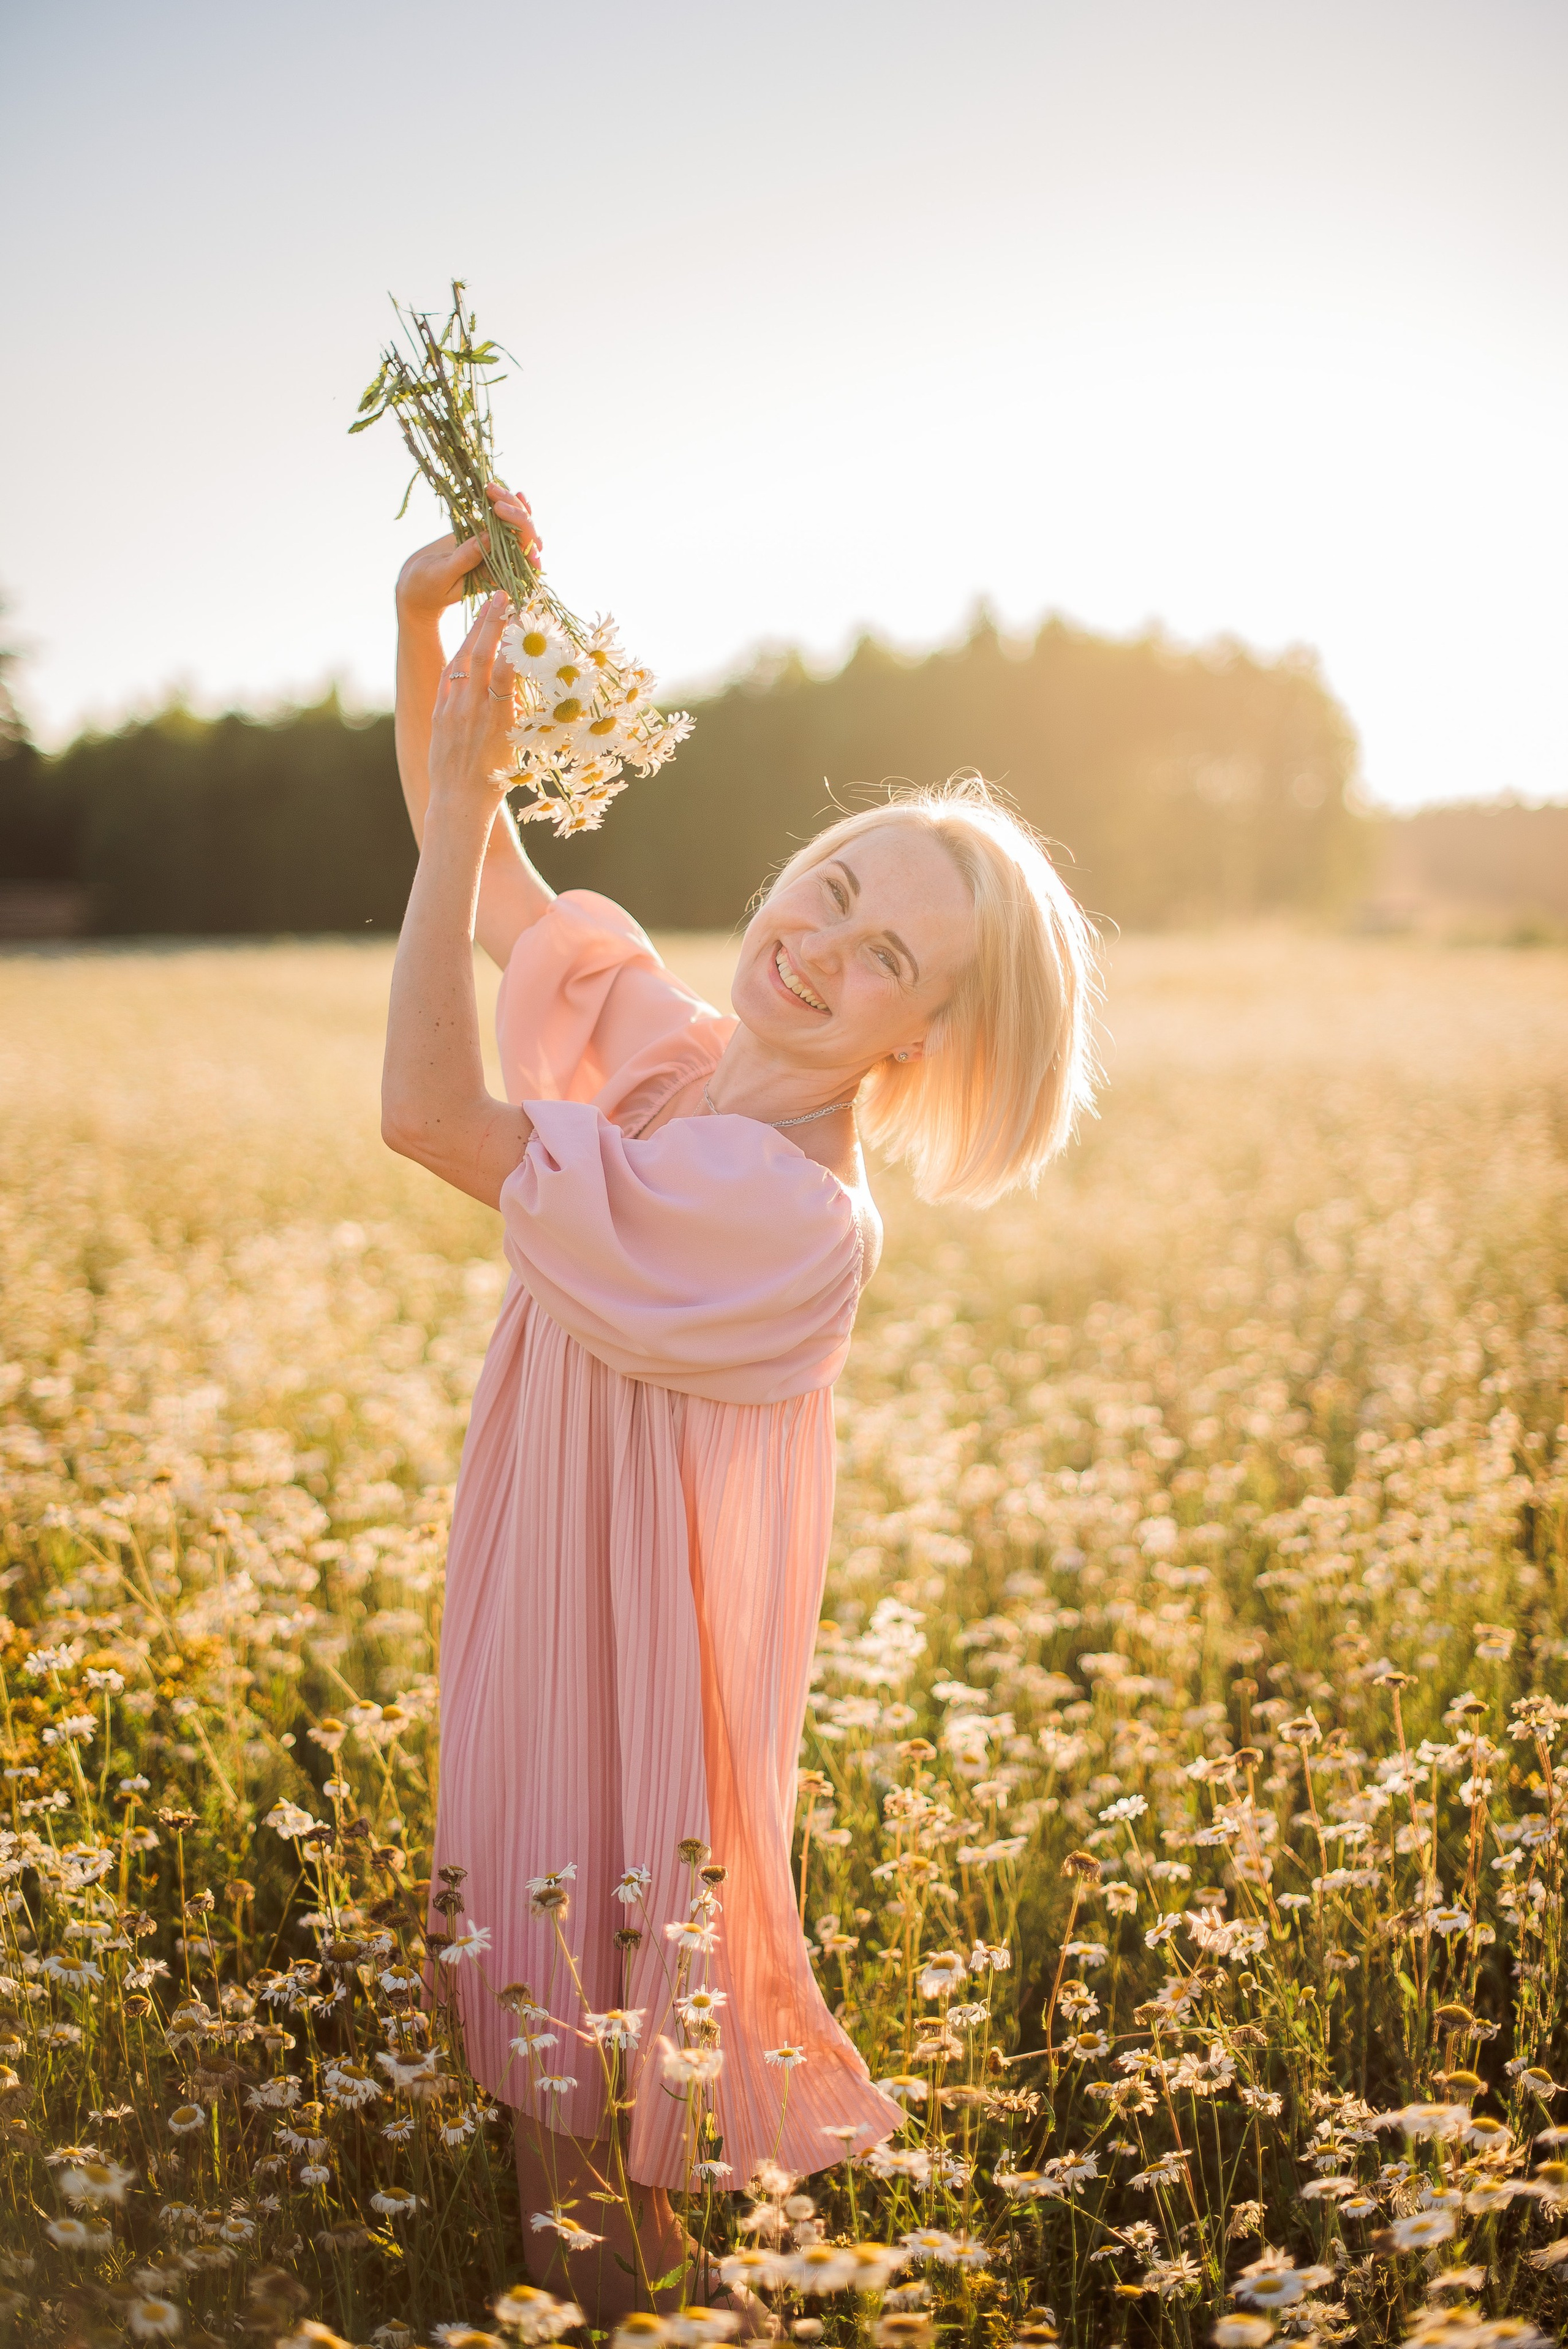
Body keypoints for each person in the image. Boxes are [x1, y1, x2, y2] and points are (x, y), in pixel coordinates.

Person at [383, 487, 1099, 2323]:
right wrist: (422, 638)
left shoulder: (791, 1211)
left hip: (635, 1701)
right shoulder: (681, 1067)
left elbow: (431, 1119)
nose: (817, 943)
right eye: (833, 888)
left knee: (599, 2152)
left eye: (883, 961)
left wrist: (474, 795)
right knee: (549, 2135)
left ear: (916, 1042)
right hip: (539, 1617)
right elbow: (485, 892)